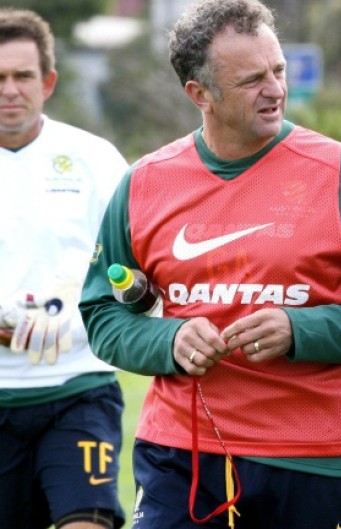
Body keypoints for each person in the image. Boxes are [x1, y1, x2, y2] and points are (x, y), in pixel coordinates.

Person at [78, 0, 341, 528]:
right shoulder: (144, 183)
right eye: (252, 79)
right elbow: (103, 313)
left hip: (315, 458)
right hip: (182, 455)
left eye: (278, 70)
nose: (276, 89)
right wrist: (169, 339)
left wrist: (300, 330)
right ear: (200, 95)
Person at [0, 8, 129, 529]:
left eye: (22, 76)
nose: (10, 90)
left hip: (78, 385)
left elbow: (133, 270)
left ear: (47, 82)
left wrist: (78, 321)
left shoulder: (95, 159)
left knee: (87, 521)